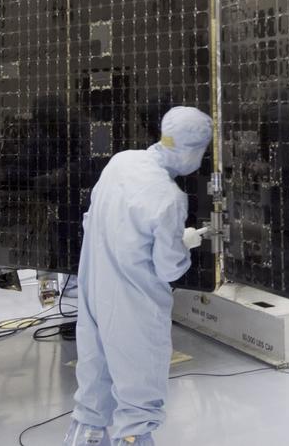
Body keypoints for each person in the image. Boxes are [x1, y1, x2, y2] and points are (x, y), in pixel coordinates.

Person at [64, 106, 213, 446]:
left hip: (94, 291)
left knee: (94, 383)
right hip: (134, 303)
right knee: (137, 399)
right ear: (192, 150)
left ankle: (85, 436)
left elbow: (92, 219)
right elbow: (169, 267)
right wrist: (184, 243)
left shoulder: (122, 162)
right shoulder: (169, 197)